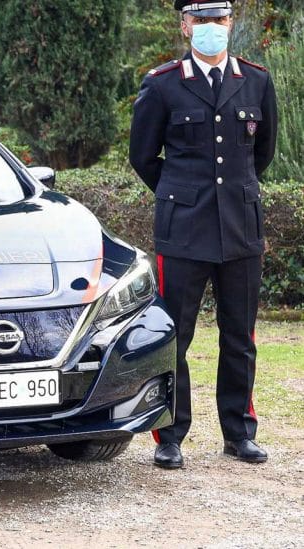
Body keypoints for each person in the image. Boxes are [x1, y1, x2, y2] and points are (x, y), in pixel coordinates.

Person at [129, 0, 277, 469]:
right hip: (184, 232)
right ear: (186, 26)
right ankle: (169, 434)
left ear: (231, 24)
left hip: (240, 229)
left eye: (220, 20)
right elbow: (143, 156)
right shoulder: (163, 84)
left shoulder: (256, 80)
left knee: (241, 336)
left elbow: (263, 153)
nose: (212, 28)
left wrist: (233, 196)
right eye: (202, 21)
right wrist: (181, 194)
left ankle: (239, 431)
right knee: (176, 335)